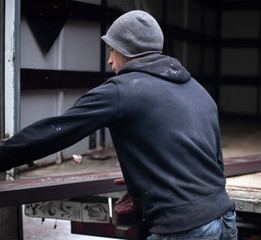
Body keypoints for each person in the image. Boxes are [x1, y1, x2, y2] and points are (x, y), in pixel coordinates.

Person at [0, 10, 237, 239]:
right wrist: (147, 183)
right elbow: (212, 164)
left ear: (127, 50)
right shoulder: (198, 91)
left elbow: (56, 132)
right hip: (225, 220)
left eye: (112, 50)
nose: (110, 60)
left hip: (185, 229)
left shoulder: (121, 91)